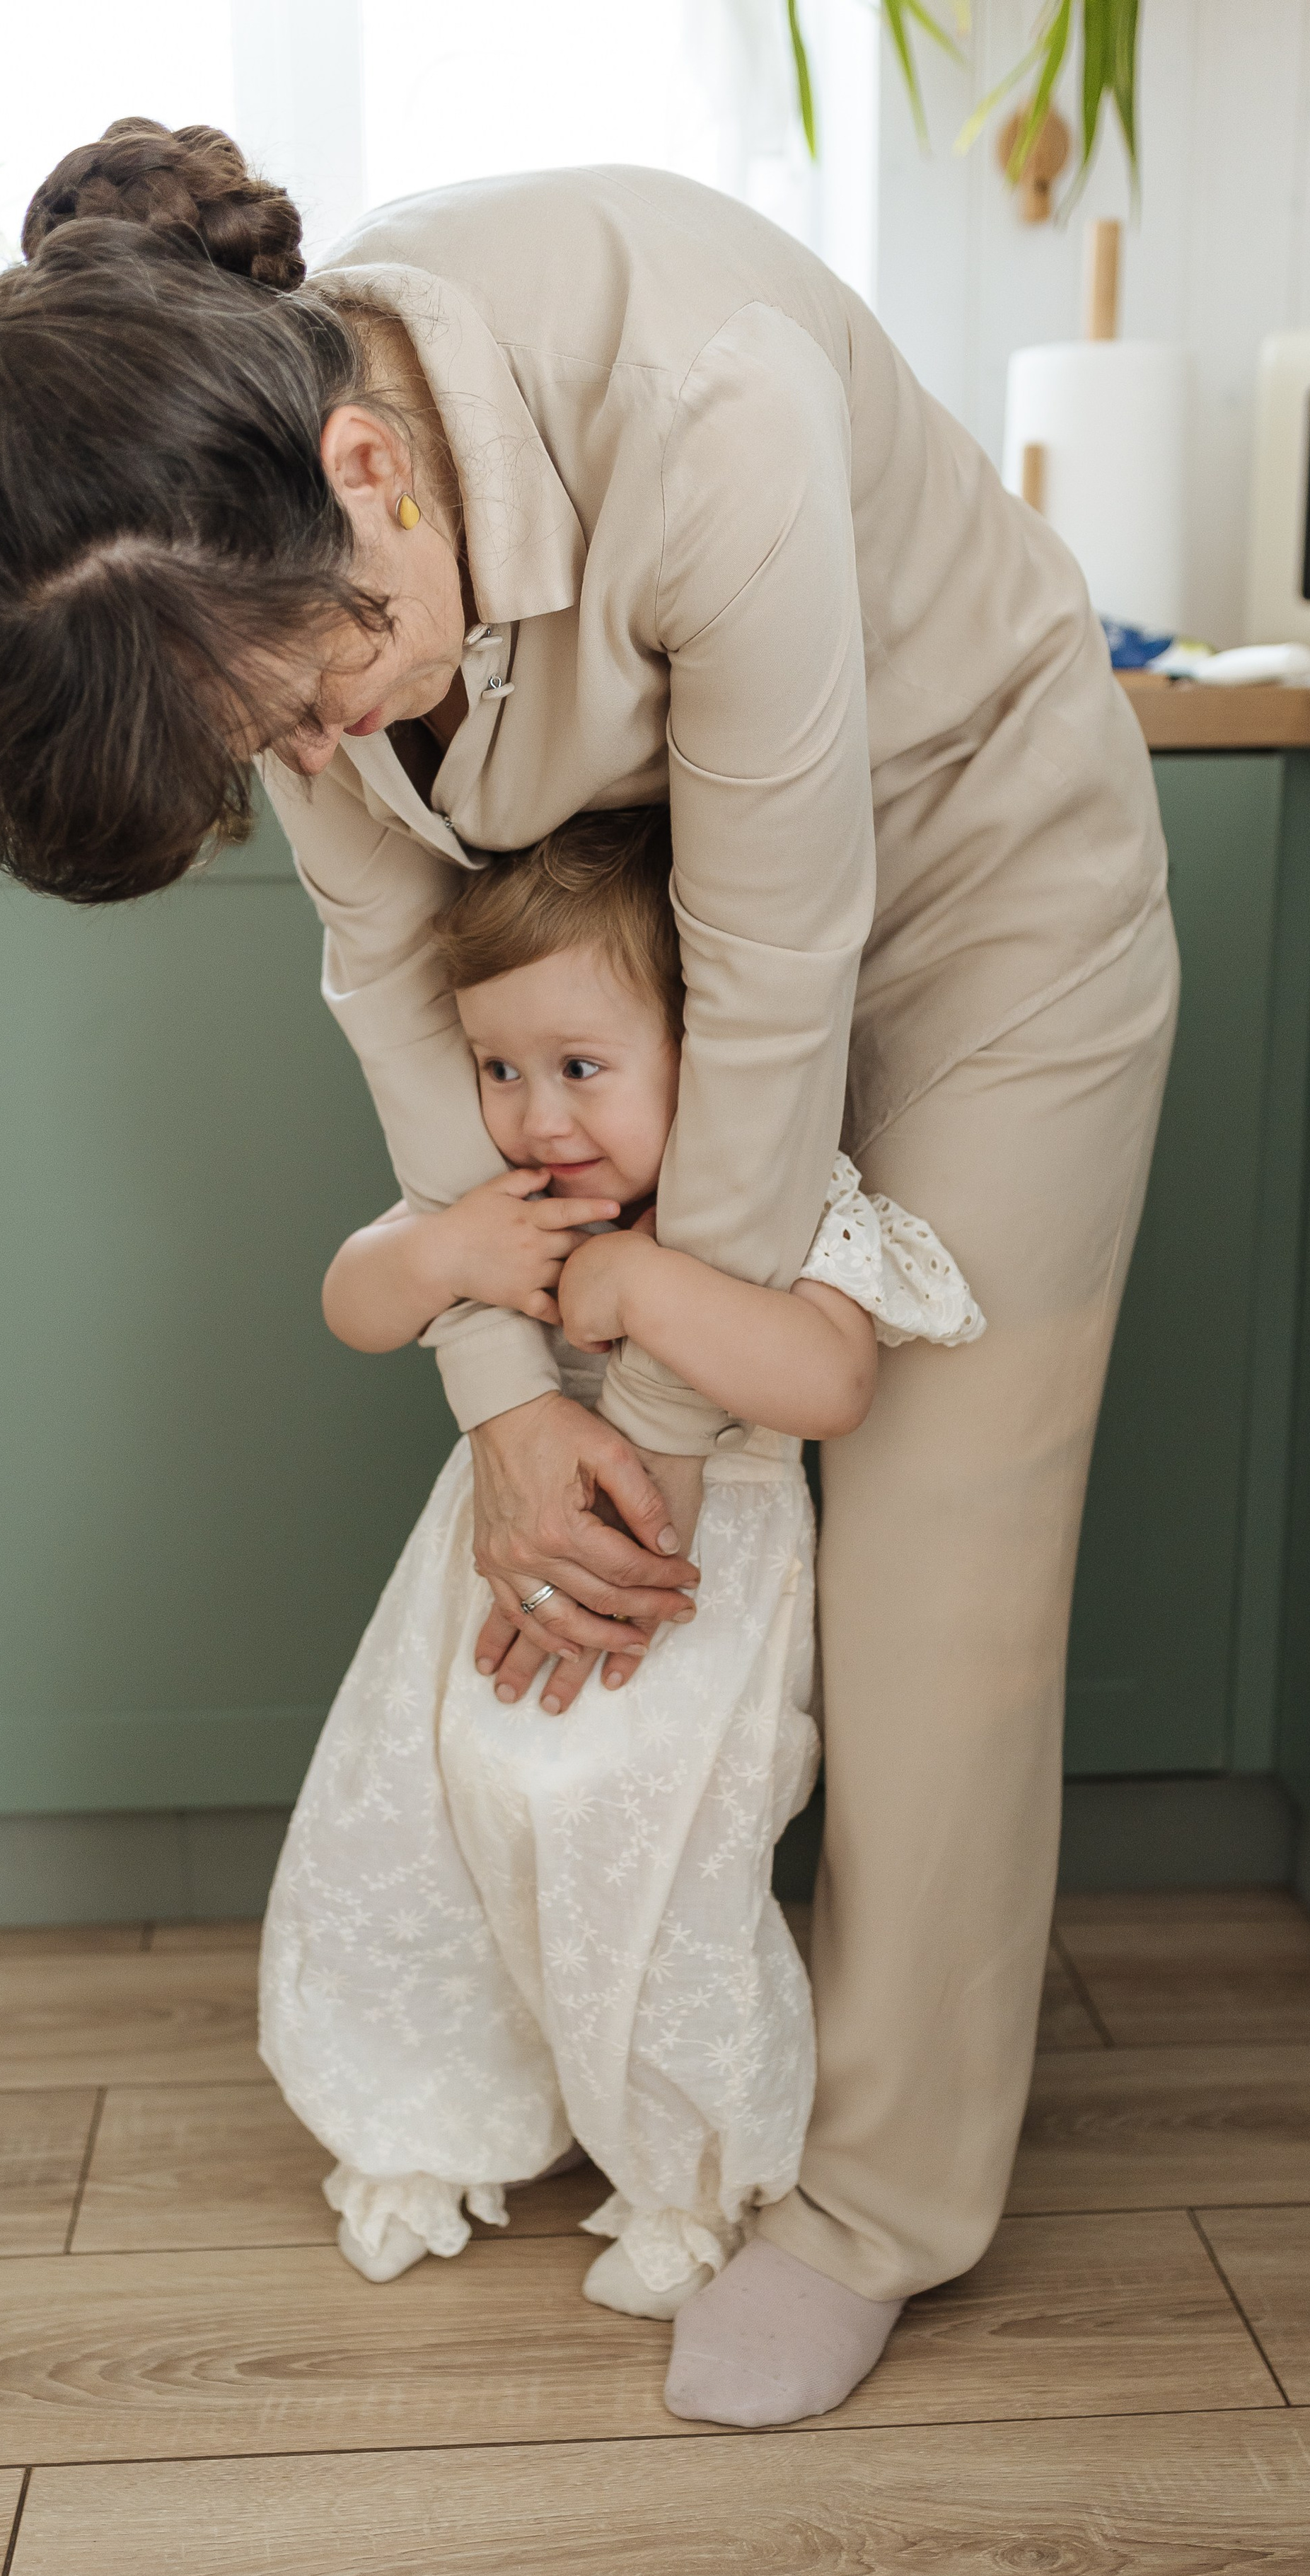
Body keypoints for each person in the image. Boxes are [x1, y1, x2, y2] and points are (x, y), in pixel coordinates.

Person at [0, 120, 1177, 2427]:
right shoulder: (249, 557)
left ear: (372, 465)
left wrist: (659, 1435)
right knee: (655, 1467)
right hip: (632, 939)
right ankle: (686, 2059)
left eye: (321, 695)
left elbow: (783, 989)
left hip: (975, 884)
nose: (318, 757)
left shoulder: (709, 410)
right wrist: (508, 1410)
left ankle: (883, 2198)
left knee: (928, 1566)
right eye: (269, 741)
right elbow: (395, 984)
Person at [262, 808, 984, 2323]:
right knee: (431, 1819)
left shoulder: (776, 1208)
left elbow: (825, 1381)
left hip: (697, 1586)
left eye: (581, 1067)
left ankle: (682, 2168)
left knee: (642, 1859)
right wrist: (439, 1259)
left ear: (700, 1058)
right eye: (498, 1069)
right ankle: (429, 2117)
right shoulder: (506, 1204)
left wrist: (642, 1281)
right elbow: (351, 1298)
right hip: (484, 1584)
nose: (537, 1117)